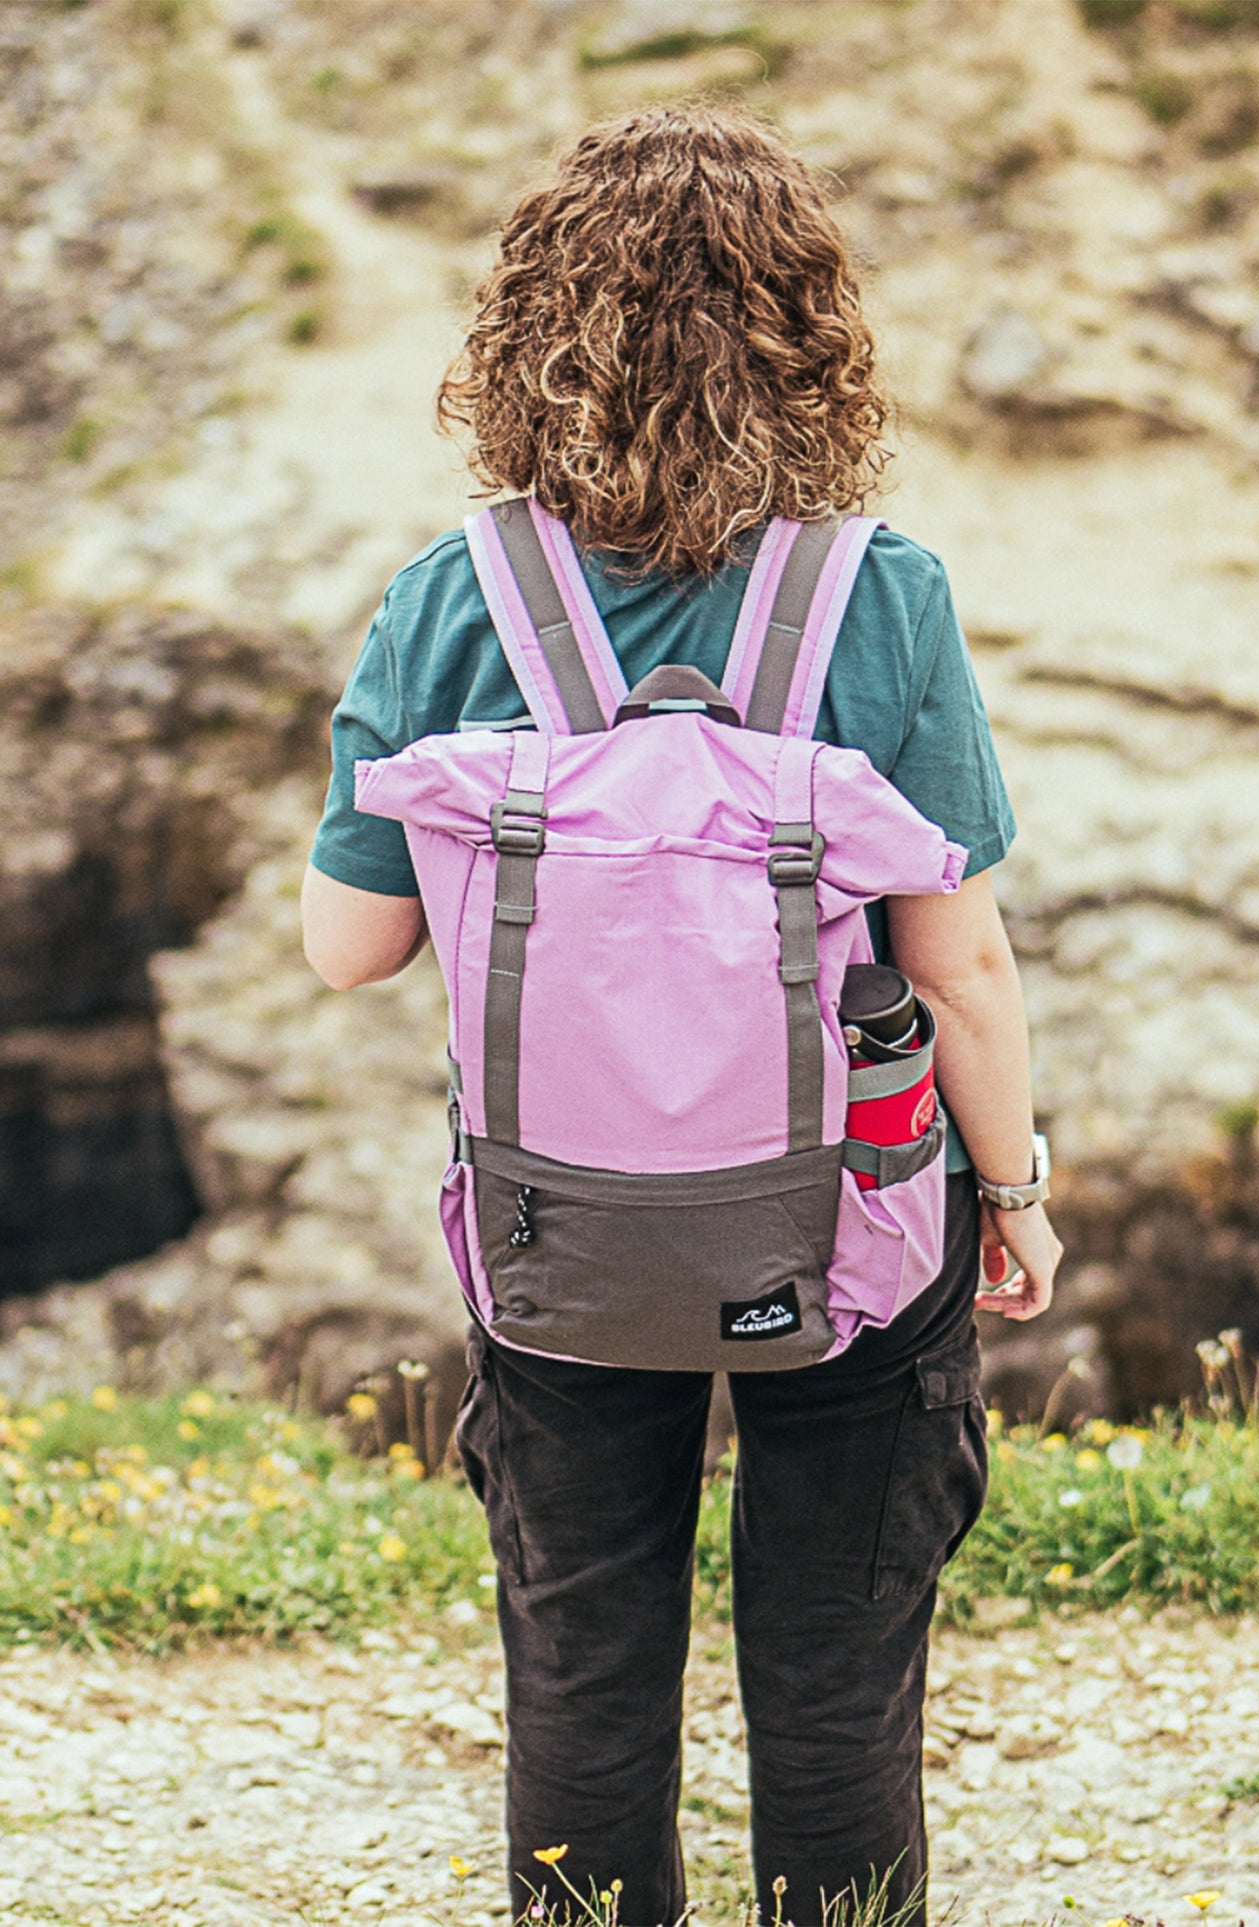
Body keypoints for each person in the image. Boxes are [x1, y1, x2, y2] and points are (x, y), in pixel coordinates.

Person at [302, 103, 1062, 1927]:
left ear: (527, 332)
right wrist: (1015, 1192)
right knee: (831, 1662)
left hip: (558, 1216)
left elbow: (348, 951)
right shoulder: (877, 596)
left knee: (579, 1655)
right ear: (811, 336)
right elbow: (955, 960)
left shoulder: (451, 596)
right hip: (858, 1212)